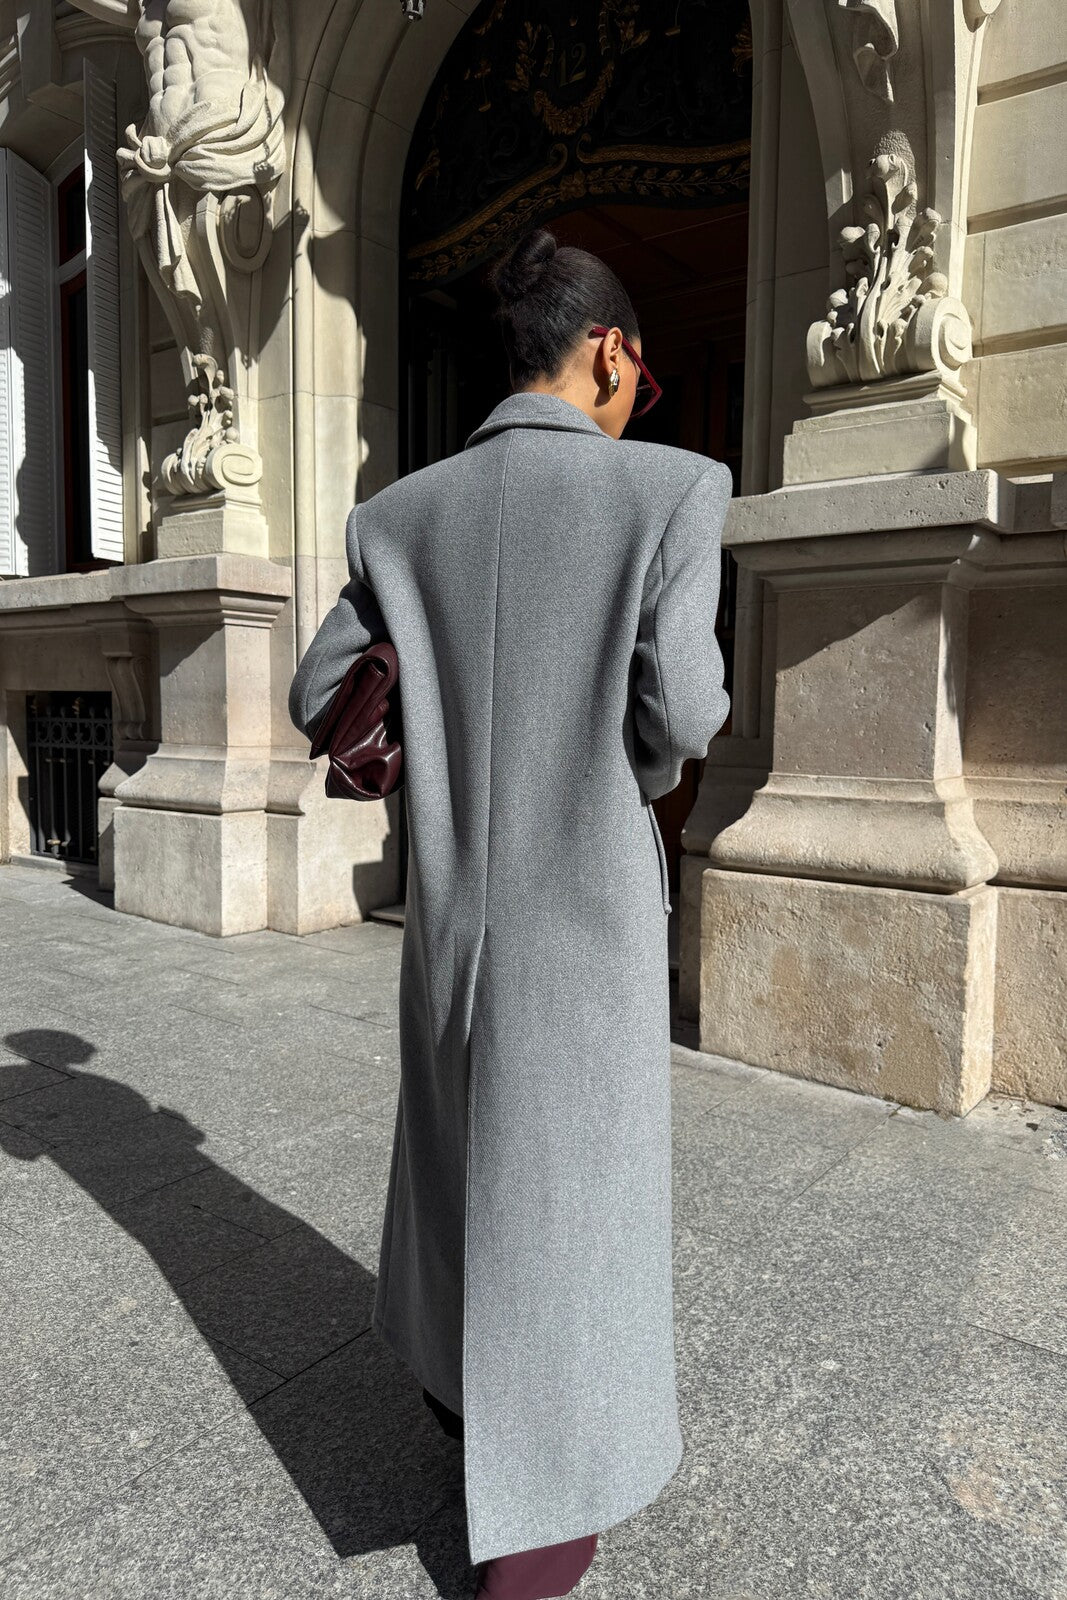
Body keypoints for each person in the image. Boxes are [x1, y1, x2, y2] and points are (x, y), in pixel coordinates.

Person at [288, 225, 732, 1600]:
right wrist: (621, 765)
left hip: (454, 903)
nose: (637, 396)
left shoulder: (397, 516)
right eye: (638, 375)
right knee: (574, 1192)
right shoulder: (671, 490)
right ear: (609, 350)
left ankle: (457, 1393)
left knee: (458, 1148)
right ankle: (542, 1518)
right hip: (585, 898)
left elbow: (318, 696)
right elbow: (685, 712)